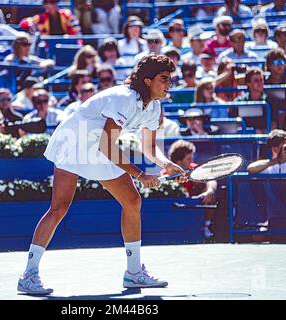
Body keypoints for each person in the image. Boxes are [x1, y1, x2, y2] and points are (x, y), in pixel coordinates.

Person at [17, 54, 186, 295]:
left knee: (132, 201)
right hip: (75, 140)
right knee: (59, 207)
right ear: (148, 81)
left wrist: (167, 164)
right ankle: (29, 275)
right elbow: (107, 145)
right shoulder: (124, 98)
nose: (169, 84)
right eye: (164, 79)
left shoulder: (154, 106)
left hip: (102, 145)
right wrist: (139, 174)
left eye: (170, 79)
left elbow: (148, 147)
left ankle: (134, 273)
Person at [165, 140, 218, 238]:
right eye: (189, 159)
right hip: (173, 216)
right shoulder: (165, 175)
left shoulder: (193, 168)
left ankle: (206, 226)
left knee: (210, 192)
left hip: (192, 211)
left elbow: (211, 180)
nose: (191, 162)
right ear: (178, 162)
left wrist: (209, 190)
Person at [234, 67, 278, 133]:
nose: (260, 83)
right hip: (246, 138)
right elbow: (236, 124)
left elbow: (274, 123)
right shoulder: (239, 102)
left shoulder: (271, 101)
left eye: (261, 80)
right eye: (256, 80)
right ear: (248, 83)